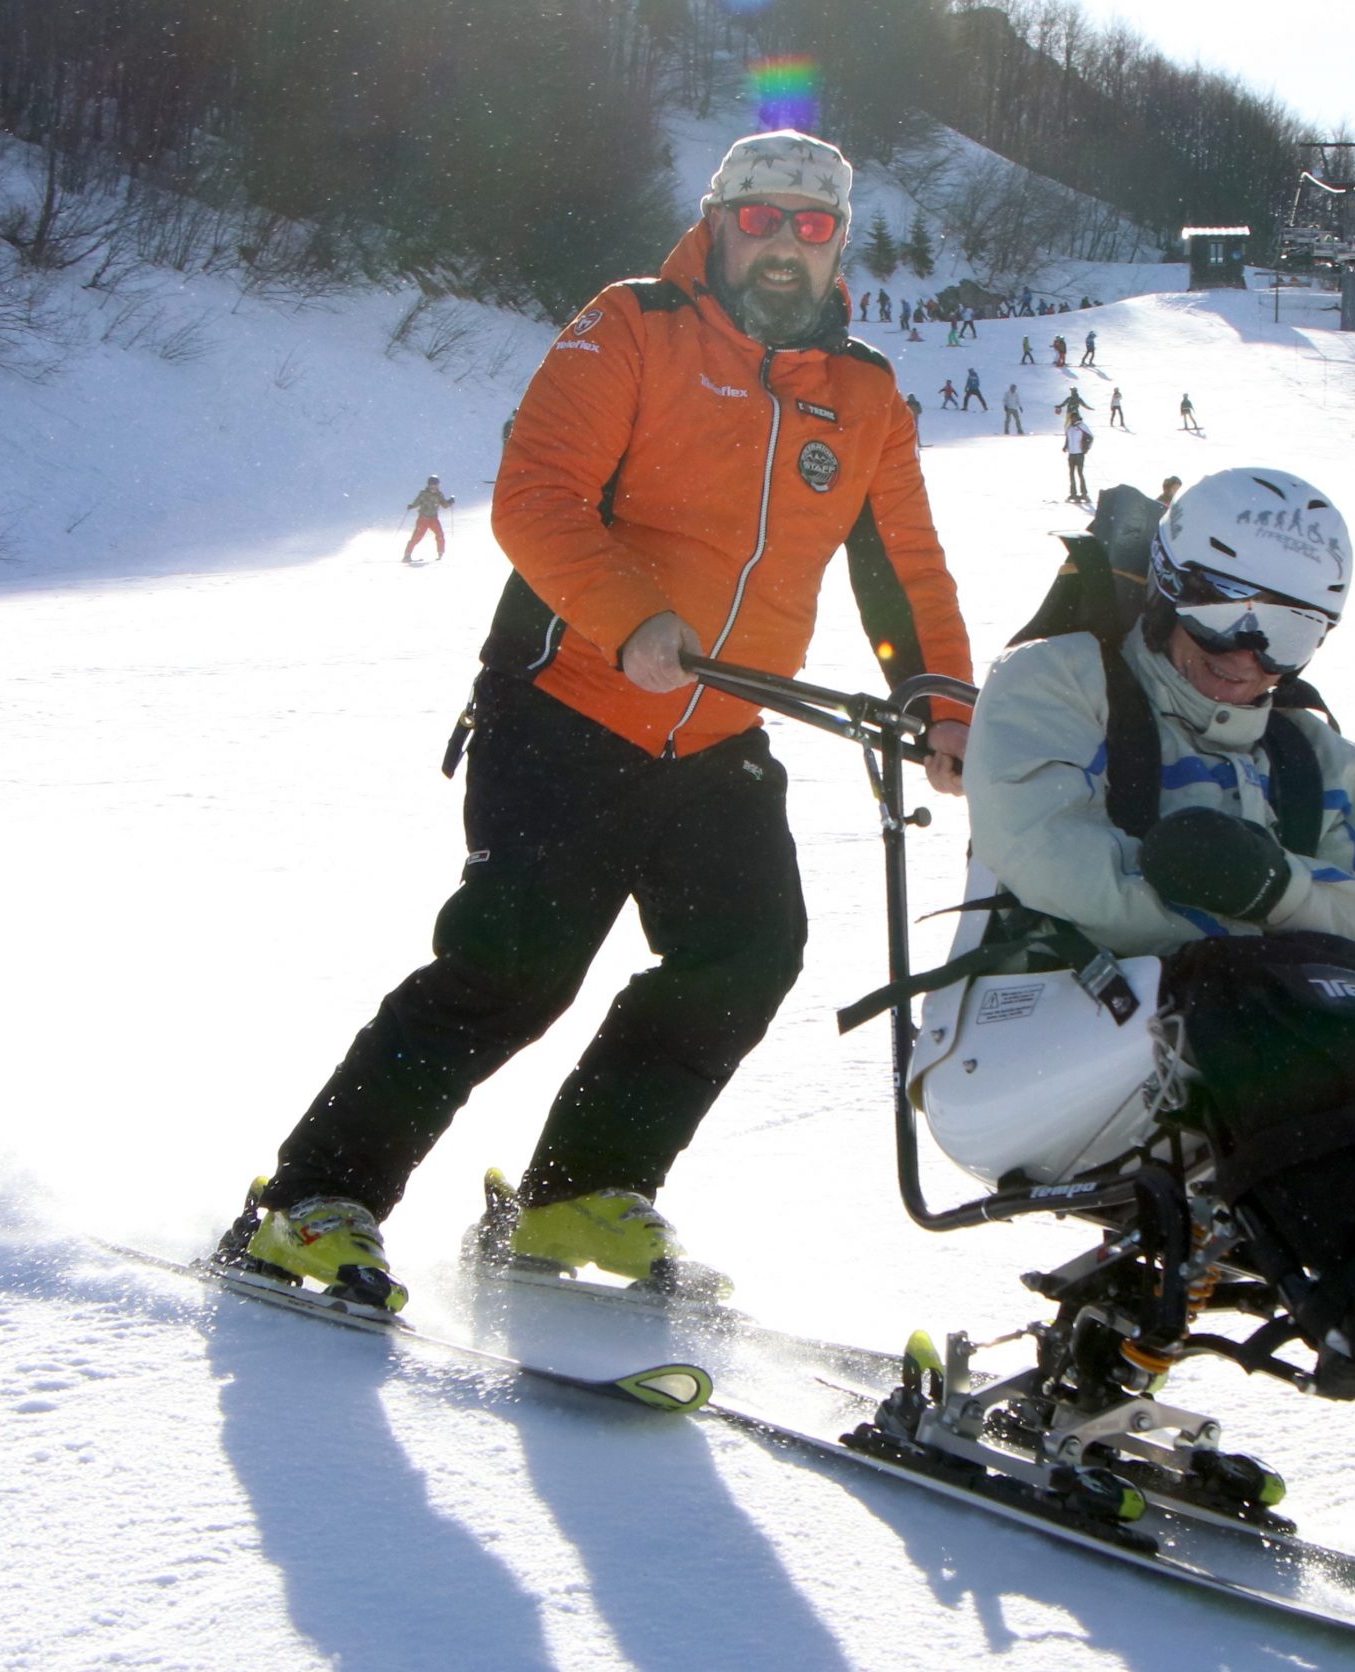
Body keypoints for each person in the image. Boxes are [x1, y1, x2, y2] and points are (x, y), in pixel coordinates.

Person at [229, 129, 976, 1310]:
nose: (784, 245)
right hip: (564, 705)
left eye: (812, 226)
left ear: (840, 248)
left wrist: (936, 695)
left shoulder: (865, 392)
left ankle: (579, 1190)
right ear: (717, 224)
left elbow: (902, 565)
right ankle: (312, 1200)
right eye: (761, 220)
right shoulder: (632, 324)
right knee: (513, 970)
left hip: (719, 736)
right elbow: (537, 495)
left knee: (744, 954)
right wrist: (629, 617)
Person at [951, 468, 1355, 1423]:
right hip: (1027, 1045)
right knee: (1294, 1022)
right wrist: (1265, 940)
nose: (1249, 655)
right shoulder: (1058, 681)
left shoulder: (1325, 765)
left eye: (1290, 634)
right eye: (1226, 614)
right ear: (1172, 585)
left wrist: (1274, 889)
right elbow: (1056, 863)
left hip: (1210, 1072)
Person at [403, 475, 454, 563]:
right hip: (423, 519)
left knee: (440, 535)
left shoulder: (439, 495)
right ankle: (407, 555)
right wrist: (412, 506)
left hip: (433, 519)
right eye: (432, 485)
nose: (434, 487)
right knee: (417, 537)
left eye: (435, 485)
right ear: (429, 485)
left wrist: (450, 502)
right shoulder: (423, 494)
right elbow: (417, 502)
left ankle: (440, 554)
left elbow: (444, 505)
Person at [1061, 415, 1093, 503]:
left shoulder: (1082, 426)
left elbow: (1091, 437)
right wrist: (1065, 446)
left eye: (1074, 418)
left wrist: (1086, 448)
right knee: (1071, 474)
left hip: (1079, 454)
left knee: (1080, 473)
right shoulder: (1069, 427)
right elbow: (1068, 438)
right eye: (1071, 418)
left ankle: (1084, 493)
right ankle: (1073, 493)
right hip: (1071, 454)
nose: (1072, 419)